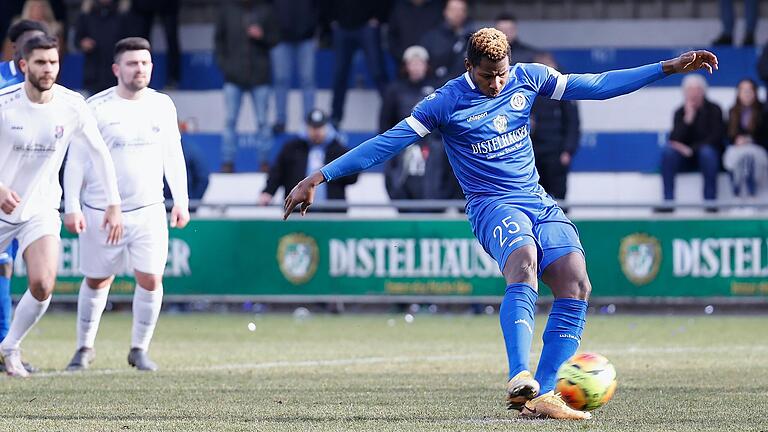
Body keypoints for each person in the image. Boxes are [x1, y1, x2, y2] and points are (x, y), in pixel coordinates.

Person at [283, 28, 718, 419]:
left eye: (502, 74)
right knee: (524, 259)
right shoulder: (444, 102)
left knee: (576, 282)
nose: (497, 83)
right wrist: (320, 176)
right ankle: (519, 377)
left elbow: (599, 86)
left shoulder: (528, 77)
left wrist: (668, 67)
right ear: (469, 66)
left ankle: (544, 396)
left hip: (537, 200)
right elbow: (387, 143)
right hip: (492, 205)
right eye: (488, 75)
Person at [63, 37, 189, 372]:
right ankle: (84, 347)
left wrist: (181, 200)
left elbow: (173, 156)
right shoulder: (96, 108)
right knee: (97, 279)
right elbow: (76, 160)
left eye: (146, 63)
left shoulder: (162, 104)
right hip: (100, 210)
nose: (140, 69)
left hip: (149, 209)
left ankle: (139, 349)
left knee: (150, 279)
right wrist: (71, 205)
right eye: (133, 63)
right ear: (117, 69)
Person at [0, 34, 123, 377]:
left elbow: (99, 153)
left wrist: (113, 202)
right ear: (24, 65)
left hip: (38, 208)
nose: (48, 69)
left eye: (53, 62)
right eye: (40, 62)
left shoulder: (71, 105)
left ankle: (9, 348)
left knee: (42, 283)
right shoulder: (4, 103)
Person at [0, 19, 49, 375]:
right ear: (17, 51)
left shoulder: (52, 92)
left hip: (27, 201)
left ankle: (6, 345)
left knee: (8, 268)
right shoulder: (4, 86)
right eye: (31, 44)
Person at [214, 0, 277, 173]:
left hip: (260, 76)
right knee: (230, 121)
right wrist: (225, 66)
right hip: (233, 76)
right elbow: (218, 40)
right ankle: (227, 162)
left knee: (263, 122)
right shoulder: (227, 9)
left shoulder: (266, 9)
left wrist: (262, 36)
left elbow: (275, 38)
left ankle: (264, 162)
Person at [260, 109, 357, 210]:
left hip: (332, 212)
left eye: (320, 127)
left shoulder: (339, 150)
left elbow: (353, 178)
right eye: (313, 127)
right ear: (306, 127)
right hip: (297, 211)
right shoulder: (292, 148)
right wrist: (268, 192)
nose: (317, 131)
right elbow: (277, 173)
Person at [320, 0, 392, 127]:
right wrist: (330, 19)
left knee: (378, 72)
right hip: (342, 26)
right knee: (339, 74)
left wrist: (379, 17)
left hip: (367, 25)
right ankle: (336, 118)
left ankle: (392, 114)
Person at [380, 46, 436, 206]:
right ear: (406, 66)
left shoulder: (438, 89)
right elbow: (385, 123)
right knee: (399, 187)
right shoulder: (394, 90)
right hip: (403, 147)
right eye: (413, 63)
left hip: (431, 150)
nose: (417, 67)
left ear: (426, 65)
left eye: (420, 63)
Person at [660, 74, 724, 211]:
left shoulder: (714, 109)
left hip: (705, 155)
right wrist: (688, 120)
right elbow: (674, 139)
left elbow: (716, 137)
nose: (693, 94)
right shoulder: (680, 112)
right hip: (684, 157)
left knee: (707, 153)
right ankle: (668, 202)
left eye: (696, 90)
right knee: (668, 152)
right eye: (689, 90)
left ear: (703, 91)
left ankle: (710, 203)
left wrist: (692, 150)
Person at [530, 52, 580, 201]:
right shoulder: (528, 91)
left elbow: (572, 122)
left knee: (559, 197)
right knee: (535, 197)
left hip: (556, 152)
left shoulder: (564, 90)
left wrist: (567, 150)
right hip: (533, 153)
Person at [270, 0, 318, 134]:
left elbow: (318, 5)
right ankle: (280, 120)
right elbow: (267, 6)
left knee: (307, 80)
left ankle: (310, 122)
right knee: (281, 80)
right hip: (280, 37)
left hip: (306, 37)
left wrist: (313, 26)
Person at [722, 78, 768, 197]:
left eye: (749, 90)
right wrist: (737, 140)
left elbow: (764, 135)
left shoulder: (764, 110)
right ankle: (737, 193)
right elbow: (728, 135)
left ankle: (751, 194)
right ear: (738, 93)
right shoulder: (732, 111)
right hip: (737, 150)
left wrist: (749, 140)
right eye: (743, 90)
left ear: (755, 92)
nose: (746, 93)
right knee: (735, 157)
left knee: (749, 158)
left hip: (757, 149)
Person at [75, 0, 130, 96]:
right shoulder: (86, 14)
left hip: (117, 71)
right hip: (93, 72)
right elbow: (77, 39)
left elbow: (130, 39)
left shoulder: (124, 14)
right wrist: (83, 43)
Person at [128, 0, 180, 86]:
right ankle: (141, 76)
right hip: (143, 5)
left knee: (171, 38)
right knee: (142, 42)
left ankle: (173, 78)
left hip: (168, 4)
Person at [420, 0, 472, 85]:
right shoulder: (432, 38)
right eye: (454, 10)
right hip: (437, 87)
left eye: (461, 10)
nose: (458, 13)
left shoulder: (472, 38)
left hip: (465, 88)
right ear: (445, 12)